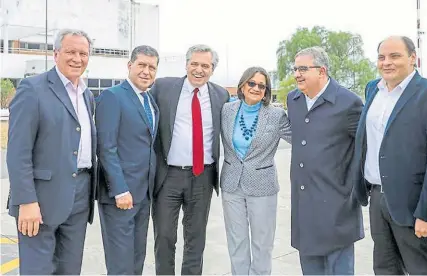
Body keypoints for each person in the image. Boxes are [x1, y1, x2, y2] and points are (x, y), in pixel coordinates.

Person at [350, 36, 427, 275]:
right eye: (382, 57)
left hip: (413, 204)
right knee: (384, 269)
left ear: (412, 58)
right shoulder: (372, 89)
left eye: (395, 56)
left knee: (421, 270)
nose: (387, 62)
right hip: (377, 198)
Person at [6, 29, 98, 274]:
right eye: (70, 51)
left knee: (70, 270)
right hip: (40, 198)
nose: (77, 58)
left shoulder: (87, 95)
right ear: (56, 53)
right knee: (38, 270)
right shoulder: (32, 89)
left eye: (83, 53)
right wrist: (26, 201)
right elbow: (18, 152)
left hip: (80, 197)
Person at [151, 44, 230, 275]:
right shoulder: (163, 88)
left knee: (196, 238)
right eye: (194, 64)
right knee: (164, 235)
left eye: (205, 65)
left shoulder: (220, 95)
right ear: (186, 65)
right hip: (168, 176)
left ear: (212, 69)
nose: (199, 69)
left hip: (202, 176)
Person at [286, 46, 363, 275]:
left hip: (336, 204)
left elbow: (364, 149)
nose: (297, 74)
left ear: (322, 71)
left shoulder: (349, 103)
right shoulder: (294, 99)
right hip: (303, 202)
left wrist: (351, 187)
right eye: (295, 69)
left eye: (302, 69)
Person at [220, 66, 291, 275]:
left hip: (263, 186)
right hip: (231, 185)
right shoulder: (227, 111)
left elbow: (300, 139)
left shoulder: (276, 115)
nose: (256, 88)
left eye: (262, 85)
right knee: (236, 242)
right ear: (242, 85)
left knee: (262, 244)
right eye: (252, 83)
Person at [95, 45, 160, 275]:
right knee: (120, 264)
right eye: (141, 65)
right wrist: (120, 189)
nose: (146, 71)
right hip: (120, 196)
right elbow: (106, 148)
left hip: (143, 194)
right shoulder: (112, 97)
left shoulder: (149, 101)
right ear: (130, 65)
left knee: (136, 260)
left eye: (152, 67)